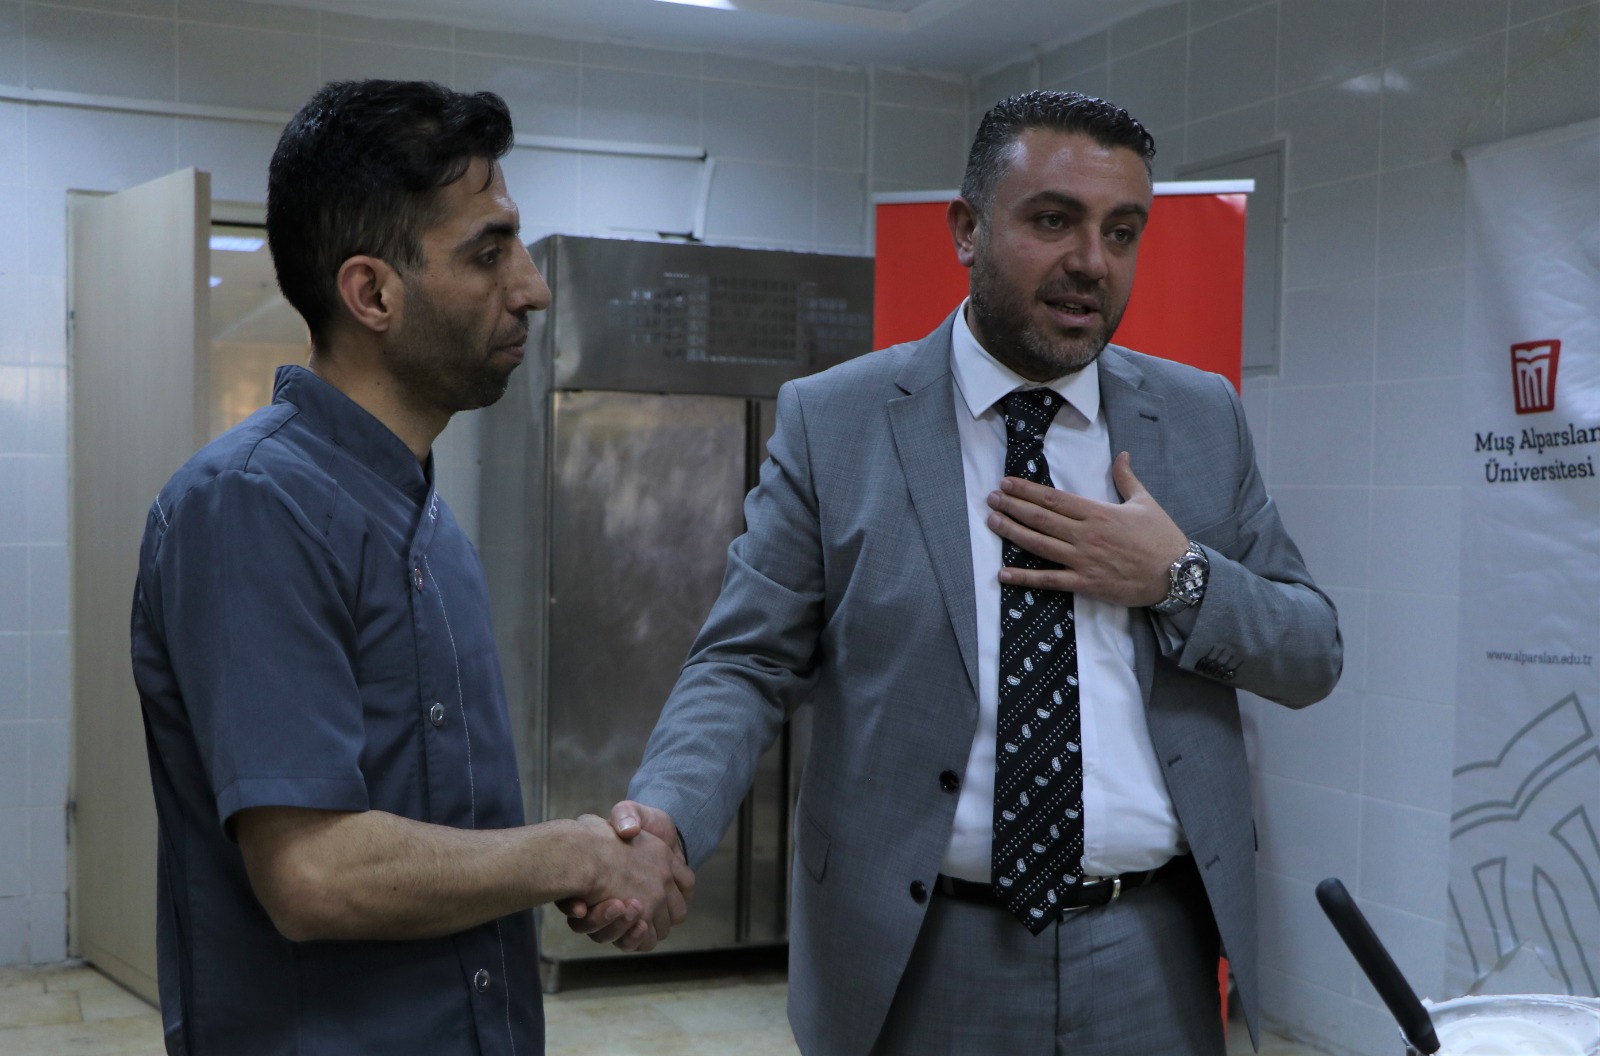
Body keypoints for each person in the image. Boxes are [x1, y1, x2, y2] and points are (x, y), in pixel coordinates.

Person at [577, 90, 1342, 1054]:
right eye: (1053, 220)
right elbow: (745, 662)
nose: (1091, 262)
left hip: (1151, 951)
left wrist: (1177, 576)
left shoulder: (1200, 419)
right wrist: (669, 819)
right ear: (967, 230)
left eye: (1121, 231)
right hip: (918, 952)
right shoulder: (838, 422)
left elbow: (1311, 650)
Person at [129, 79, 692, 1056]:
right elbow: (313, 873)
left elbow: (442, 834)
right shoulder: (252, 504)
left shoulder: (424, 519)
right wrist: (571, 855)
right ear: (373, 294)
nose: (532, 287)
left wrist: (577, 864)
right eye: (489, 252)